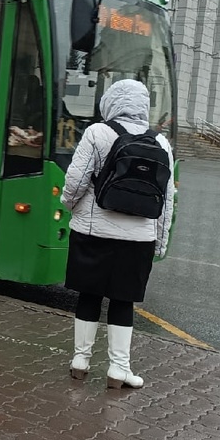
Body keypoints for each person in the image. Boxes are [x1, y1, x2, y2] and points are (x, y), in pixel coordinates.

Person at [61, 79, 174, 389]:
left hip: (93, 232)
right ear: (143, 106)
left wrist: (70, 206)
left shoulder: (97, 133)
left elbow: (76, 180)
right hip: (138, 240)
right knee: (123, 301)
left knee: (89, 295)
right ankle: (118, 369)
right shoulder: (161, 143)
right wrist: (159, 243)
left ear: (110, 103)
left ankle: (81, 361)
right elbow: (167, 200)